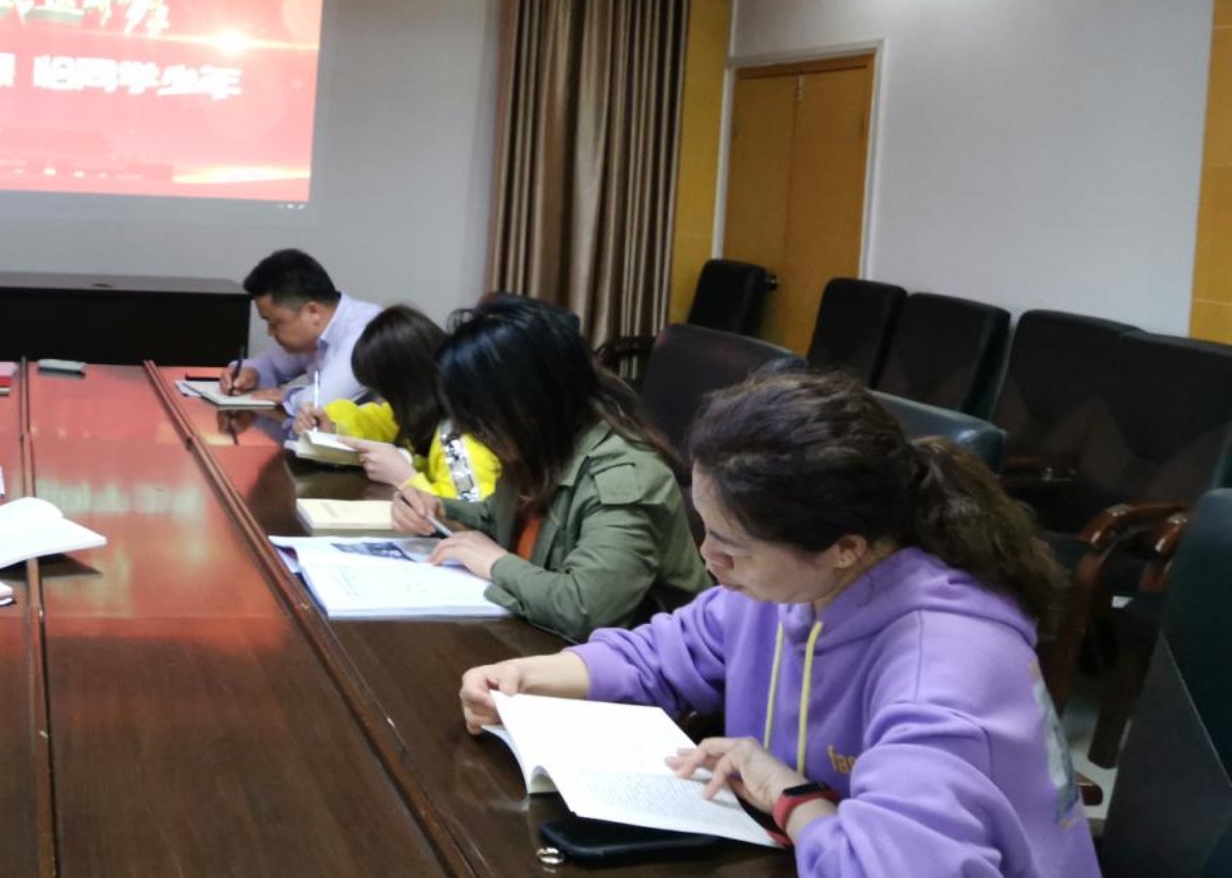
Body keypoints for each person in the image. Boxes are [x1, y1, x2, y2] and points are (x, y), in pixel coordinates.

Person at [457, 370, 1099, 876]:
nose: (707, 557)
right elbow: (667, 651)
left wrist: (788, 794)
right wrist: (531, 676)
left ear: (844, 548)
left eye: (732, 546)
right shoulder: (789, 583)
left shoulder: (943, 667)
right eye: (707, 528)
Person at [390, 295, 707, 640]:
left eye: (481, 418)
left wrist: (495, 563)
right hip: (548, 645)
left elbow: (585, 611)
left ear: (532, 401)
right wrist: (438, 508)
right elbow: (499, 519)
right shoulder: (535, 447)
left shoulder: (626, 475)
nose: (474, 433)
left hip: (652, 664)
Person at [295, 304, 500, 501]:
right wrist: (331, 426)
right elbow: (375, 422)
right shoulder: (420, 413)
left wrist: (405, 479)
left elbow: (466, 514)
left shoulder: (459, 439)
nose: (384, 401)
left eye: (386, 393)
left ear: (407, 390)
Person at [221, 248, 381, 418]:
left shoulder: (365, 332)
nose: (270, 332)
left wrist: (287, 395)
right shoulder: (316, 333)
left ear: (312, 311)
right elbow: (272, 364)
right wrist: (250, 373)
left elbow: (318, 402)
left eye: (275, 323)